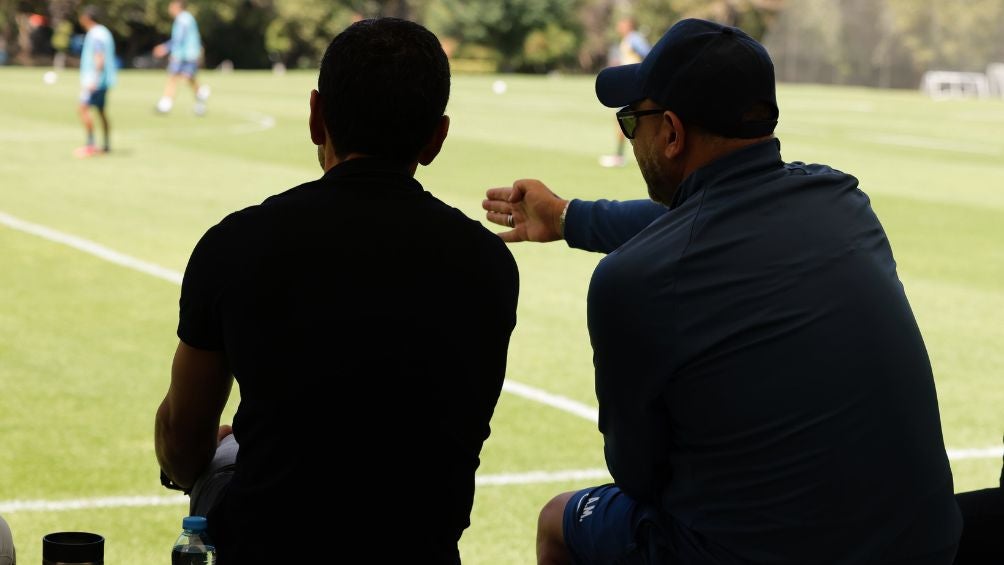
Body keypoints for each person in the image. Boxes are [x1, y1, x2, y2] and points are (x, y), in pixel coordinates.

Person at [484, 18, 962, 565]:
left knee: (558, 523)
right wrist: (570, 218)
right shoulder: (842, 201)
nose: (629, 134)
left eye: (630, 119)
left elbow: (639, 473)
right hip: (924, 544)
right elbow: (706, 228)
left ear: (670, 131)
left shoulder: (630, 283)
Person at [155, 17, 519, 564]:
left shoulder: (236, 244)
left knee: (222, 457)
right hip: (421, 550)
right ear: (436, 139)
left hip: (264, 547)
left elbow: (182, 451)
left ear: (316, 116)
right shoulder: (490, 262)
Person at [598, 17, 650, 169]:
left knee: (625, 119)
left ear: (629, 25)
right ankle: (622, 155)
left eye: (622, 24)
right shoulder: (628, 39)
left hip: (632, 85)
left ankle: (620, 156)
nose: (619, 26)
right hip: (628, 83)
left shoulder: (634, 39)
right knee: (625, 120)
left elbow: (648, 54)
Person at [153, 0, 209, 116]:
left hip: (186, 54)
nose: (169, 9)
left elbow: (179, 38)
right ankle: (199, 95)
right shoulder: (187, 18)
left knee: (178, 77)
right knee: (184, 77)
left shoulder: (183, 19)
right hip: (189, 53)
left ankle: (167, 103)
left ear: (177, 7)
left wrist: (165, 48)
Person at [74, 5, 115, 158]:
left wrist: (94, 80)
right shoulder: (105, 32)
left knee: (83, 108)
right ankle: (106, 145)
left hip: (96, 81)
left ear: (87, 18)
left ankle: (90, 146)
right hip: (105, 80)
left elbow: (99, 58)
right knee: (101, 111)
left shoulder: (96, 34)